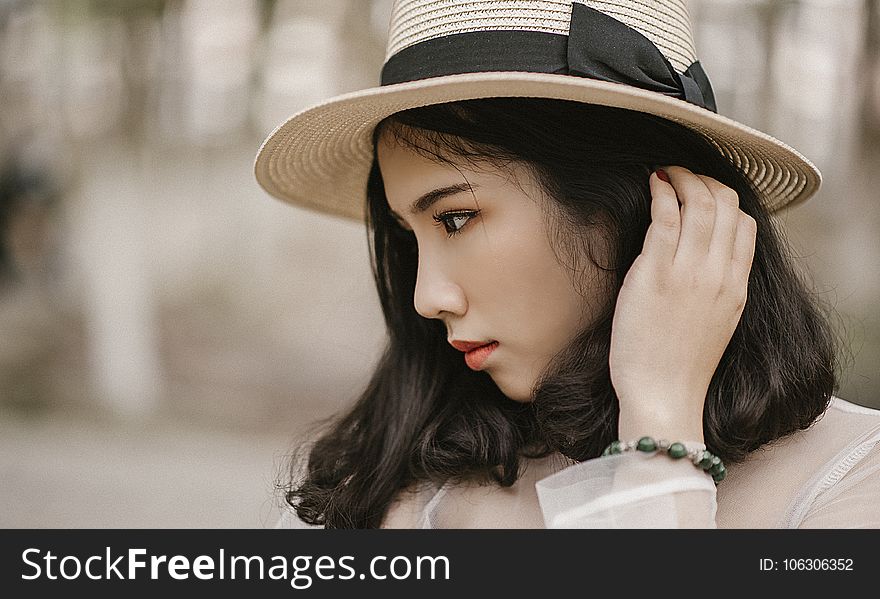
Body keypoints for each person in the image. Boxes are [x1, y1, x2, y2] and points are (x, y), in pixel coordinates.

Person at [255, 0, 880, 528]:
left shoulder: (849, 479)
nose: (426, 297)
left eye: (455, 218)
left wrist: (659, 431)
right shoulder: (386, 486)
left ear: (642, 202)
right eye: (409, 235)